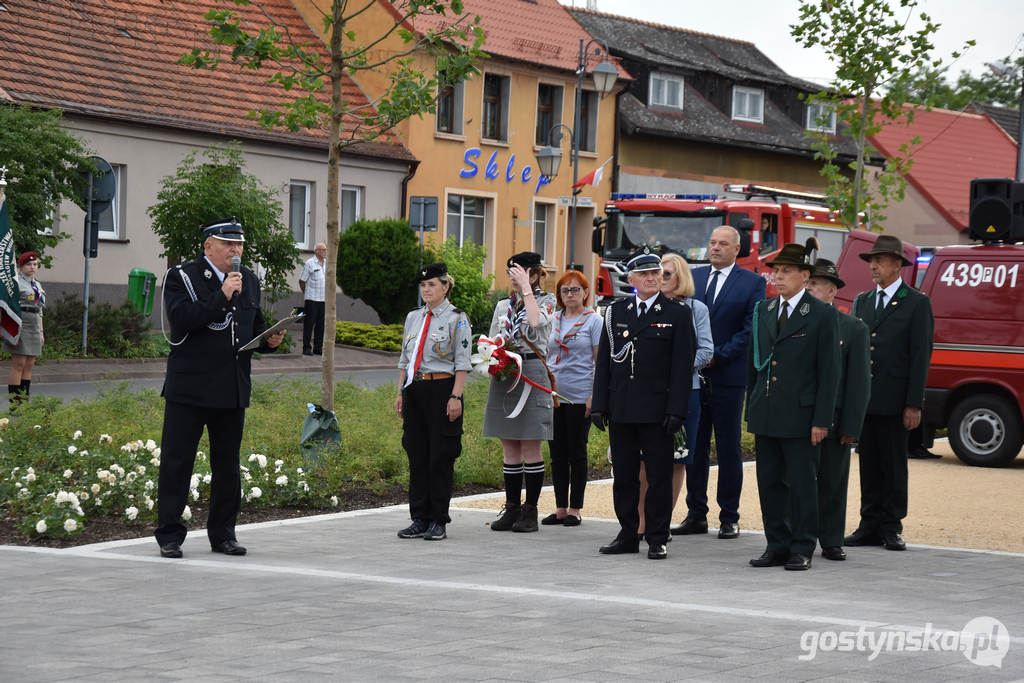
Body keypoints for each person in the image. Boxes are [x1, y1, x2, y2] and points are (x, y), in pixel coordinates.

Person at [155, 217, 285, 559]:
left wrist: (270, 340)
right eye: (229, 244)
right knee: (176, 462)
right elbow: (182, 321)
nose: (236, 250)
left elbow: (251, 329)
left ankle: (223, 534)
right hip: (190, 388)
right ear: (208, 245)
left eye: (240, 244)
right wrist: (221, 294)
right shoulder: (182, 276)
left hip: (231, 388)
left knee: (227, 466)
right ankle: (170, 535)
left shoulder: (250, 281)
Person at [592, 246, 695, 560]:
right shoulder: (616, 312)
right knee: (624, 475)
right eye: (645, 274)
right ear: (632, 278)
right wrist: (599, 404)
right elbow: (606, 364)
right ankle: (627, 533)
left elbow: (682, 366)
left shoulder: (677, 313)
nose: (652, 279)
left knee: (659, 476)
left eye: (657, 273)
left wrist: (677, 409)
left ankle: (657, 536)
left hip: (657, 410)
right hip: (622, 407)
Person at [746, 241, 840, 571]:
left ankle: (802, 546)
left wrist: (822, 419)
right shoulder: (765, 310)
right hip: (768, 410)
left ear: (805, 275)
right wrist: (751, 409)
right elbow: (754, 367)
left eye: (787, 271)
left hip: (801, 414)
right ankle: (777, 544)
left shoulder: (822, 314)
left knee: (802, 484)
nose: (779, 277)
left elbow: (829, 372)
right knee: (769, 482)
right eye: (776, 271)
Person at [845, 235, 933, 551]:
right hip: (866, 398)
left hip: (896, 399)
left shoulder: (916, 302)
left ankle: (891, 525)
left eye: (880, 260)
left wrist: (914, 403)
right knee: (868, 463)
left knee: (894, 464)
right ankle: (868, 523)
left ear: (898, 264)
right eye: (871, 260)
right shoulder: (863, 301)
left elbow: (921, 355)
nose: (873, 266)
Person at [678, 226, 766, 539]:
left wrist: (718, 356)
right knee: (694, 448)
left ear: (736, 249)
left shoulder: (753, 283)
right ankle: (696, 513)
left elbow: (750, 328)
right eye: (712, 242)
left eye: (722, 244)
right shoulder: (694, 278)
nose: (715, 248)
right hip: (692, 378)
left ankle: (729, 515)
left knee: (728, 449)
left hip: (728, 377)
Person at [637, 252, 713, 538]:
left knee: (676, 459)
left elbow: (706, 350)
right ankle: (642, 522)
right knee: (644, 459)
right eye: (656, 273)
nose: (659, 278)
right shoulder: (643, 306)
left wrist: (675, 368)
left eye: (666, 274)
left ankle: (661, 524)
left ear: (680, 277)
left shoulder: (696, 309)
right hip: (647, 394)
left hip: (684, 392)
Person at [394, 263, 471, 541]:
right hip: (415, 388)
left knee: (440, 455)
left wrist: (456, 395)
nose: (426, 289)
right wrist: (401, 391)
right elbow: (405, 359)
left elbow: (462, 362)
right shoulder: (413, 317)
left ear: (445, 286)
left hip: (443, 389)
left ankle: (438, 519)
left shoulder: (457, 319)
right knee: (416, 454)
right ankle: (419, 517)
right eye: (423, 285)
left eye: (432, 285)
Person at [483, 251, 556, 533]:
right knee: (509, 445)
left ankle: (530, 510)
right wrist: (489, 356)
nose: (514, 279)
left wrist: (527, 290)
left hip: (532, 372)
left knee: (530, 443)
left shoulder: (546, 301)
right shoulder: (503, 305)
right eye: (511, 274)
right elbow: (492, 338)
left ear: (534, 275)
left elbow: (536, 323)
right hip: (505, 374)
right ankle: (511, 507)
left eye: (521, 273)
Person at [805, 258, 871, 561]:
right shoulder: (794, 321)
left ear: (832, 292)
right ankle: (799, 535)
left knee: (832, 481)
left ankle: (831, 538)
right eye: (806, 283)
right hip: (798, 415)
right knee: (798, 480)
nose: (809, 289)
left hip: (834, 417)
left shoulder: (853, 328)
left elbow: (859, 382)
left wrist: (851, 427)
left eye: (815, 285)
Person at [542, 270, 601, 527]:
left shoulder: (593, 321)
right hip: (554, 396)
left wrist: (593, 397)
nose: (570, 295)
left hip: (579, 395)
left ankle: (576, 508)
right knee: (557, 453)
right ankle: (560, 508)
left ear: (586, 293)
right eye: (565, 291)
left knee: (576, 452)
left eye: (575, 290)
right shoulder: (553, 319)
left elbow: (600, 362)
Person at [4, 252, 45, 405]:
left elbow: (39, 309)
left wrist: (41, 332)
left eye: (35, 264)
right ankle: (15, 403)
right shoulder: (15, 284)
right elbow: (8, 307)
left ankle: (24, 401)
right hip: (20, 325)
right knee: (19, 364)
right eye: (29, 264)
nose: (32, 267)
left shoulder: (37, 285)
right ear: (21, 267)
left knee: (29, 365)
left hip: (34, 325)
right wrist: (11, 331)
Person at [299, 241, 327, 356]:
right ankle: (306, 348)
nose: (325, 252)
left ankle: (318, 348)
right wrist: (307, 293)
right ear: (317, 251)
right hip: (311, 299)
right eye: (323, 250)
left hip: (322, 299)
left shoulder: (326, 263)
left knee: (320, 325)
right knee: (309, 324)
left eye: (326, 250)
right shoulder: (309, 263)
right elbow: (302, 281)